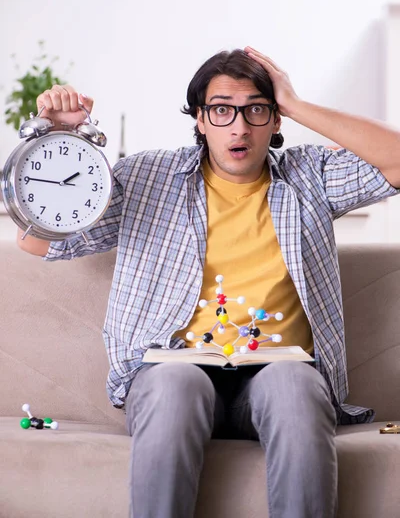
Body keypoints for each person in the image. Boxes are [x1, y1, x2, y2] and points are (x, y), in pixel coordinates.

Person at [18, 46, 400, 518]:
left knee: (295, 386)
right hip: (172, 370)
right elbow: (38, 239)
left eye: (256, 110)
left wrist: (296, 101)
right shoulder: (145, 177)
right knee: (177, 383)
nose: (239, 127)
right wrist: (60, 135)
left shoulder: (310, 177)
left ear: (276, 120)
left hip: (278, 373)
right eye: (221, 110)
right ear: (200, 119)